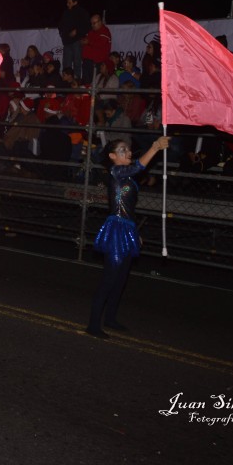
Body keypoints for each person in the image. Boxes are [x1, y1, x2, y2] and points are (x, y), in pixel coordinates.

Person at [86, 136, 170, 339]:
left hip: (127, 228)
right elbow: (138, 167)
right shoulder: (116, 171)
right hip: (116, 229)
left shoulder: (128, 177)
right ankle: (93, 324)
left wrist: (135, 232)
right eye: (123, 150)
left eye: (129, 149)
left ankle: (111, 318)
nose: (129, 152)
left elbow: (129, 208)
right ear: (113, 156)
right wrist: (155, 146)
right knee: (110, 278)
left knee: (122, 278)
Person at [58, 0, 90, 80]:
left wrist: (77, 31)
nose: (67, 4)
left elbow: (87, 25)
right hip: (67, 42)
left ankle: (76, 80)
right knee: (66, 64)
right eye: (67, 2)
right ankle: (66, 81)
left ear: (75, 2)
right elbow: (60, 25)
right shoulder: (65, 13)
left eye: (69, 2)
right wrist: (62, 34)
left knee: (77, 62)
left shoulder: (82, 12)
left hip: (77, 41)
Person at [81, 14, 112, 85]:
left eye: (94, 23)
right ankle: (86, 96)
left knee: (95, 84)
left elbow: (101, 43)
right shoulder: (91, 32)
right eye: (91, 23)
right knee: (86, 84)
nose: (92, 25)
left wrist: (88, 42)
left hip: (97, 63)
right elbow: (86, 41)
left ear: (100, 22)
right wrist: (83, 42)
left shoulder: (105, 31)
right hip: (87, 62)